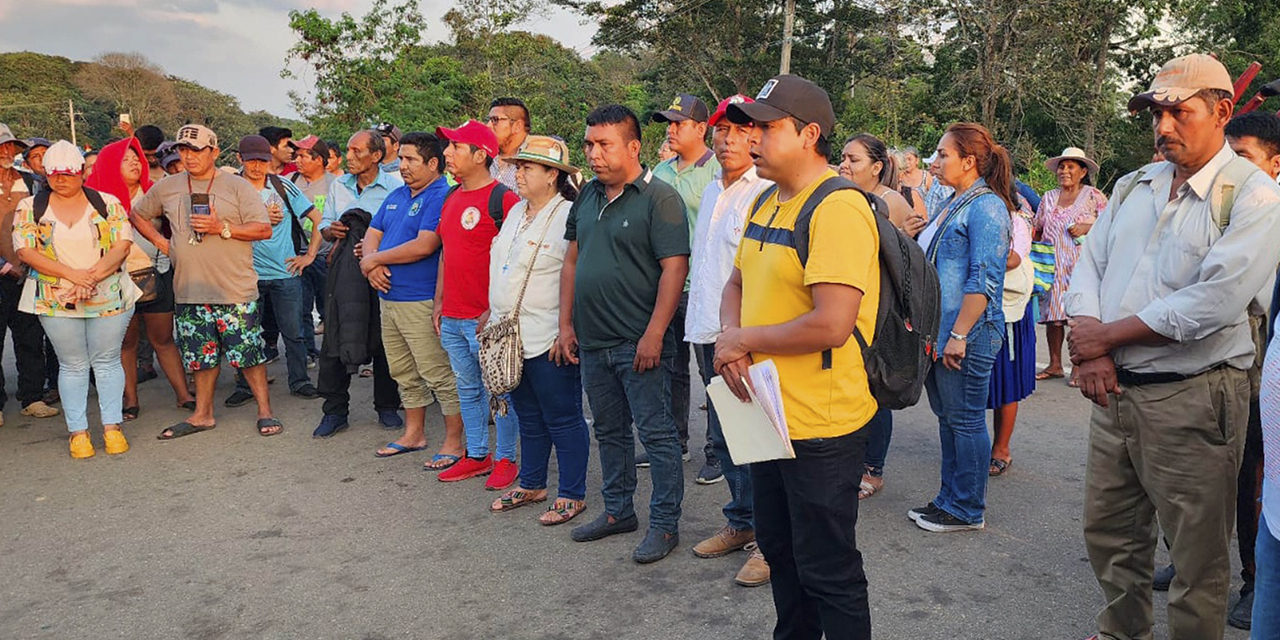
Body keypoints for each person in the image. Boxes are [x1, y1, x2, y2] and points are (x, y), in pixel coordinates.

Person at [1067, 54, 1280, 640]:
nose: (1162, 127)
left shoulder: (1253, 196)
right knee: (1110, 534)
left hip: (1194, 397)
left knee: (1197, 558)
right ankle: (1122, 631)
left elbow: (1215, 301)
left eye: (1177, 113)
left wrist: (1104, 338)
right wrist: (1093, 351)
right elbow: (1090, 267)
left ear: (1222, 111)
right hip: (1113, 392)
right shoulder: (1134, 185)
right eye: (1154, 113)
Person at [718, 74, 881, 638]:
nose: (752, 137)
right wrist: (729, 336)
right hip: (765, 411)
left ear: (810, 133)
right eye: (750, 126)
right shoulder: (766, 199)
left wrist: (744, 341)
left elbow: (833, 324)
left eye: (766, 126)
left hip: (821, 424)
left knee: (827, 569)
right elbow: (735, 282)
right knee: (782, 556)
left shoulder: (838, 207)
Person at [1148, 110, 1280, 631]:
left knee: (1247, 476)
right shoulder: (1204, 199)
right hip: (1195, 358)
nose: (1232, 165)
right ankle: (1187, 559)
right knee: (1191, 469)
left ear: (1275, 164)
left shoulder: (1265, 210)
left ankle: (1250, 578)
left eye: (1244, 156)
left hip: (1252, 360)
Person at [558, 104, 688, 564]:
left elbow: (674, 269)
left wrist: (655, 334)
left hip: (639, 343)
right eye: (589, 143)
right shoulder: (587, 197)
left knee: (657, 435)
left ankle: (665, 524)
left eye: (604, 144)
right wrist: (565, 325)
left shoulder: (661, 199)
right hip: (593, 342)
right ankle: (618, 512)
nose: (593, 153)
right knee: (610, 432)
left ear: (633, 147)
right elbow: (572, 261)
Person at [130, 124, 280, 439]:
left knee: (248, 353)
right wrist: (163, 243)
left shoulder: (237, 186)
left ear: (214, 152)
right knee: (200, 357)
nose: (189, 156)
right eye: (183, 150)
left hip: (234, 288)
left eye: (196, 150)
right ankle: (203, 415)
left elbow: (263, 229)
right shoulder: (168, 186)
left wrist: (221, 227)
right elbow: (138, 214)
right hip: (189, 289)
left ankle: (265, 411)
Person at [685, 95, 773, 586]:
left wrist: (741, 338)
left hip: (743, 337)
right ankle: (741, 522)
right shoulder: (715, 190)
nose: (728, 139)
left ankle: (769, 541)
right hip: (705, 329)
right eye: (722, 130)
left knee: (755, 441)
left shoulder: (764, 190)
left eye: (741, 131)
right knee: (722, 437)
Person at [484, 135, 590, 525]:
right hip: (509, 335)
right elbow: (503, 268)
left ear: (552, 175)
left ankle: (572, 493)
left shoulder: (568, 215)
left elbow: (576, 276)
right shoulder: (516, 213)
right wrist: (490, 312)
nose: (518, 173)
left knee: (562, 415)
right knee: (527, 414)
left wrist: (569, 328)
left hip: (549, 335)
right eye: (517, 166)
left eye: (528, 167)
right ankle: (531, 482)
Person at [912, 122, 1012, 533]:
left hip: (967, 333)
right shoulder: (954, 201)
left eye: (943, 155)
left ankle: (967, 507)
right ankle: (948, 498)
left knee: (966, 419)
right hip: (943, 332)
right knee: (949, 417)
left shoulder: (987, 207)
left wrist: (958, 336)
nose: (934, 163)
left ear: (969, 161)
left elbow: (983, 279)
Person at [11, 141, 136, 459]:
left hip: (107, 290)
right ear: (46, 175)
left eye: (68, 173)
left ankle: (112, 427)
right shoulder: (30, 206)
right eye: (54, 174)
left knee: (106, 361)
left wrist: (90, 277)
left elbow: (122, 245)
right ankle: (78, 432)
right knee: (73, 364)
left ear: (82, 172)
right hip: (56, 296)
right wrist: (73, 276)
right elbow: (26, 251)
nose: (61, 180)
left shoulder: (107, 203)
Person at [355, 132, 466, 466]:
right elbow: (372, 234)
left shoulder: (439, 195)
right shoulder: (396, 195)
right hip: (389, 298)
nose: (401, 166)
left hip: (420, 300)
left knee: (438, 374)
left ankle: (454, 442)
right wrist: (369, 263)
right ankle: (414, 433)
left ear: (433, 163)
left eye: (410, 159)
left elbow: (425, 245)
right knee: (403, 372)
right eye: (400, 159)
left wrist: (374, 260)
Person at [835, 132, 927, 501]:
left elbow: (908, 261)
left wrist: (898, 236)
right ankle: (850, 460)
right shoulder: (838, 196)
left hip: (878, 309)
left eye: (853, 159)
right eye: (842, 157)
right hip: (844, 303)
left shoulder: (892, 202)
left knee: (875, 385)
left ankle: (874, 467)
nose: (844, 164)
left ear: (877, 167)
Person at [433, 120, 521, 488]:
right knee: (466, 389)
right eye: (447, 146)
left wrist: (494, 309)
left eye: (455, 147)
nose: (447, 154)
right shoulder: (451, 197)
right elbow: (445, 252)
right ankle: (476, 455)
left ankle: (507, 459)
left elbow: (516, 260)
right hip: (452, 316)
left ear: (481, 155)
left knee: (500, 392)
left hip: (487, 319)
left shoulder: (504, 199)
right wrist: (438, 301)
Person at [84, 137, 195, 420]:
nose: (135, 163)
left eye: (137, 159)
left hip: (157, 274)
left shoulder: (154, 192)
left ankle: (184, 395)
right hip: (116, 280)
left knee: (164, 339)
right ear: (111, 165)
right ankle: (130, 399)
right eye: (126, 159)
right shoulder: (95, 199)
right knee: (127, 343)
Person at [314, 130, 405, 435]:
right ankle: (335, 411)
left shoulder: (396, 187)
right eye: (348, 151)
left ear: (376, 156)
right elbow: (325, 223)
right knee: (337, 334)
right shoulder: (338, 184)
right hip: (343, 273)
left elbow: (402, 230)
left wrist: (372, 246)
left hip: (382, 272)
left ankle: (388, 407)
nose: (348, 157)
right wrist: (333, 231)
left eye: (356, 151)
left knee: (384, 338)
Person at [221, 135, 322, 406]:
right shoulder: (229, 190)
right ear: (239, 159)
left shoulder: (283, 186)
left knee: (294, 333)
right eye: (252, 160)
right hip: (246, 275)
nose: (257, 166)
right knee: (246, 335)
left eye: (263, 160)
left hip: (285, 272)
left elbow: (316, 218)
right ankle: (245, 386)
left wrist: (308, 256)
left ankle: (299, 381)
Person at [651, 93, 721, 478]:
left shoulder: (715, 171)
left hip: (703, 287)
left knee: (712, 372)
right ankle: (676, 442)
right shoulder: (660, 172)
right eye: (669, 123)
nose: (671, 130)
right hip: (666, 287)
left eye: (679, 123)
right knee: (671, 368)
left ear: (701, 128)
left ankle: (718, 452)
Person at [0, 125, 59, 425]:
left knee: (30, 337)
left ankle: (32, 397)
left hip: (27, 272)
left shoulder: (30, 182)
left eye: (10, 146)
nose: (6, 152)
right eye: (1, 147)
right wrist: (3, 265)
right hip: (2, 272)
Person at [1033, 147, 1107, 382]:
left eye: (1070, 167)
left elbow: (1110, 226)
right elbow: (1038, 228)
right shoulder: (1048, 198)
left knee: (1076, 316)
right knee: (1053, 317)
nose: (1064, 171)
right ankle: (1055, 364)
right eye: (1062, 167)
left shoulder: (1094, 196)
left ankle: (1078, 366)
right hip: (1052, 266)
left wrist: (1088, 227)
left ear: (1083, 172)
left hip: (1080, 267)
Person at [987, 194, 1037, 478]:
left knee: (1006, 379)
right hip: (979, 304)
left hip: (1009, 310)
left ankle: (1001, 449)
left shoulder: (1016, 221)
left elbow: (1013, 259)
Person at [286, 135, 335, 358]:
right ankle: (307, 352)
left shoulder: (336, 185)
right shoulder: (288, 181)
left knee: (331, 308)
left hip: (328, 256)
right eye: (297, 155)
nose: (298, 160)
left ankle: (334, 353)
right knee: (301, 309)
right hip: (298, 255)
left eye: (304, 156)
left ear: (319, 159)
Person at [487, 97, 531, 190]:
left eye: (495, 120)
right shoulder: (485, 157)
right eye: (488, 120)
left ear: (517, 126)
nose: (488, 126)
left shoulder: (537, 160)